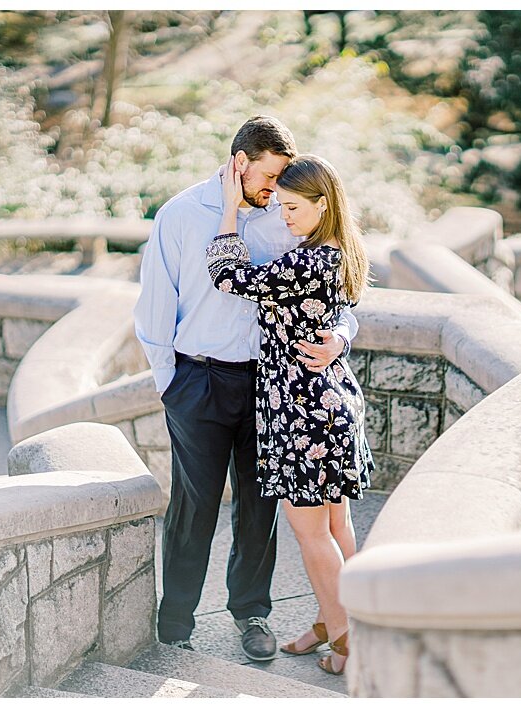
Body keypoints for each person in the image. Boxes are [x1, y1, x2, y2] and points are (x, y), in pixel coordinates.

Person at [134, 116, 358, 662]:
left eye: (286, 179)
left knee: (259, 507)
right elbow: (155, 309)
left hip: (274, 386)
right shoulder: (182, 215)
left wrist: (340, 341)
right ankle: (177, 619)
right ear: (240, 162)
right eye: (271, 175)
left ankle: (251, 612)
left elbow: (340, 300)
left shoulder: (289, 215)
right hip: (200, 379)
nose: (279, 189)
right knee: (195, 504)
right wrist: (173, 384)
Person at [205, 153, 374, 676]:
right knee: (336, 525)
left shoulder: (309, 261)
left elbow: (228, 276)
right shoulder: (333, 253)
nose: (284, 215)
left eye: (294, 206)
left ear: (325, 204)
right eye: (280, 204)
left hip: (303, 412)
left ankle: (348, 641)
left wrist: (231, 212)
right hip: (325, 402)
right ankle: (334, 620)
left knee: (312, 533)